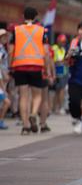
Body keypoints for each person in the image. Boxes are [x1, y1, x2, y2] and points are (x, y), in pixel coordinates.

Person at [9, 7, 54, 135]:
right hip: (36, 66)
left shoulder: (16, 30)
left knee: (23, 97)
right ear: (35, 17)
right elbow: (46, 52)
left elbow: (11, 50)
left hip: (20, 66)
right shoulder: (41, 31)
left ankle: (25, 126)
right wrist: (46, 68)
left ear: (23, 16)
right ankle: (34, 113)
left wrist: (10, 66)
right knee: (37, 95)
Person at [51, 33, 68, 115]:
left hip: (63, 71)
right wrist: (62, 62)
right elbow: (54, 60)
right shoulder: (54, 48)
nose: (63, 43)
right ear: (58, 41)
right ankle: (58, 107)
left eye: (64, 42)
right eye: (62, 41)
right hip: (56, 70)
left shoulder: (63, 49)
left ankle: (57, 107)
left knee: (60, 90)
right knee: (59, 90)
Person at [0, 28, 11, 129]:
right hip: (1, 79)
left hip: (3, 78)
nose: (5, 38)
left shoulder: (3, 48)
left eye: (6, 36)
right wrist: (4, 74)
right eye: (3, 36)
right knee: (6, 101)